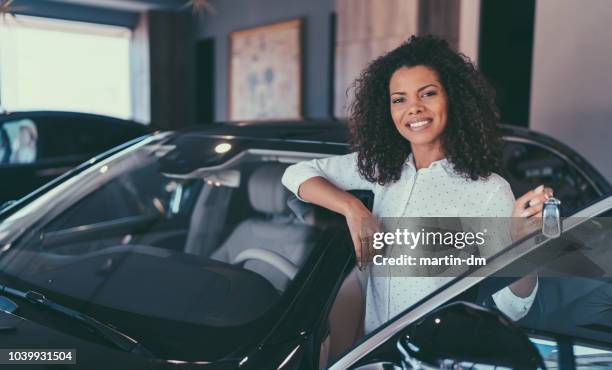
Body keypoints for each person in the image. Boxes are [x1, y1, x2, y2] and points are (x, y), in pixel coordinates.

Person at [281, 35, 552, 334]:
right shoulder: (379, 169)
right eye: (400, 99)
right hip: (374, 355)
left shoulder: (488, 191)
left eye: (427, 94)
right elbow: (295, 174)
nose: (413, 108)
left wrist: (520, 247)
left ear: (453, 98)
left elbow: (513, 308)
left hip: (434, 356)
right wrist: (352, 208)